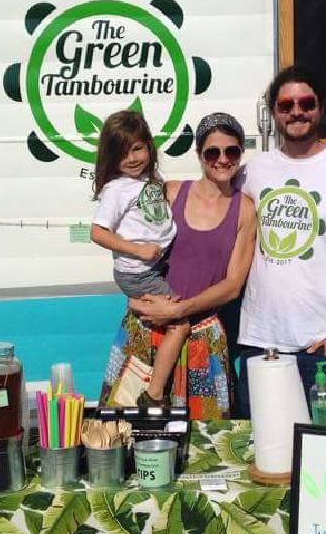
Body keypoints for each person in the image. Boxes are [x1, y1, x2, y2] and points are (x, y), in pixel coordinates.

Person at [236, 65, 326, 428]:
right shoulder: (253, 172)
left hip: (322, 347)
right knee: (262, 449)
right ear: (274, 112)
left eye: (306, 103)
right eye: (286, 105)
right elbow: (212, 211)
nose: (296, 112)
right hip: (262, 344)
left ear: (320, 107)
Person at [101, 113, 256, 419]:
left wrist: (179, 310)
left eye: (231, 151)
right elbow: (129, 241)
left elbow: (232, 285)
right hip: (147, 328)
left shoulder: (245, 210)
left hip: (202, 339)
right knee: (128, 426)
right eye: (212, 152)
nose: (222, 159)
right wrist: (135, 296)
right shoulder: (170, 193)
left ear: (240, 153)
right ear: (199, 154)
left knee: (202, 438)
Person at [90, 110, 189, 405]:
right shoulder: (116, 190)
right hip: (138, 271)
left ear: (148, 146)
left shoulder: (150, 179)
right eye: (123, 154)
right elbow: (97, 232)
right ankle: (154, 392)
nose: (132, 158)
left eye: (137, 149)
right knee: (179, 322)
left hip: (154, 265)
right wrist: (138, 249)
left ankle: (137, 303)